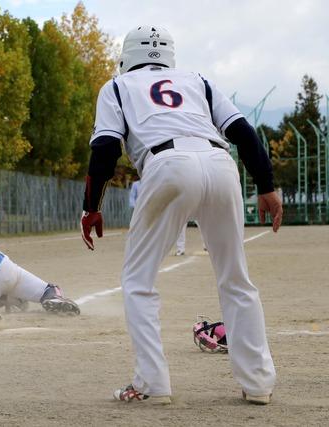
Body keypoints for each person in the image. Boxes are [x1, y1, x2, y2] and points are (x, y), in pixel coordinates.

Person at [80, 26, 282, 405]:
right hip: (221, 164)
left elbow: (105, 149)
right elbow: (242, 131)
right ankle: (258, 384)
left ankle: (151, 384)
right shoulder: (197, 80)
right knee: (236, 278)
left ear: (127, 56)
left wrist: (91, 208)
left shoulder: (118, 86)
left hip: (167, 163)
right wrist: (267, 186)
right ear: (169, 55)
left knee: (138, 281)